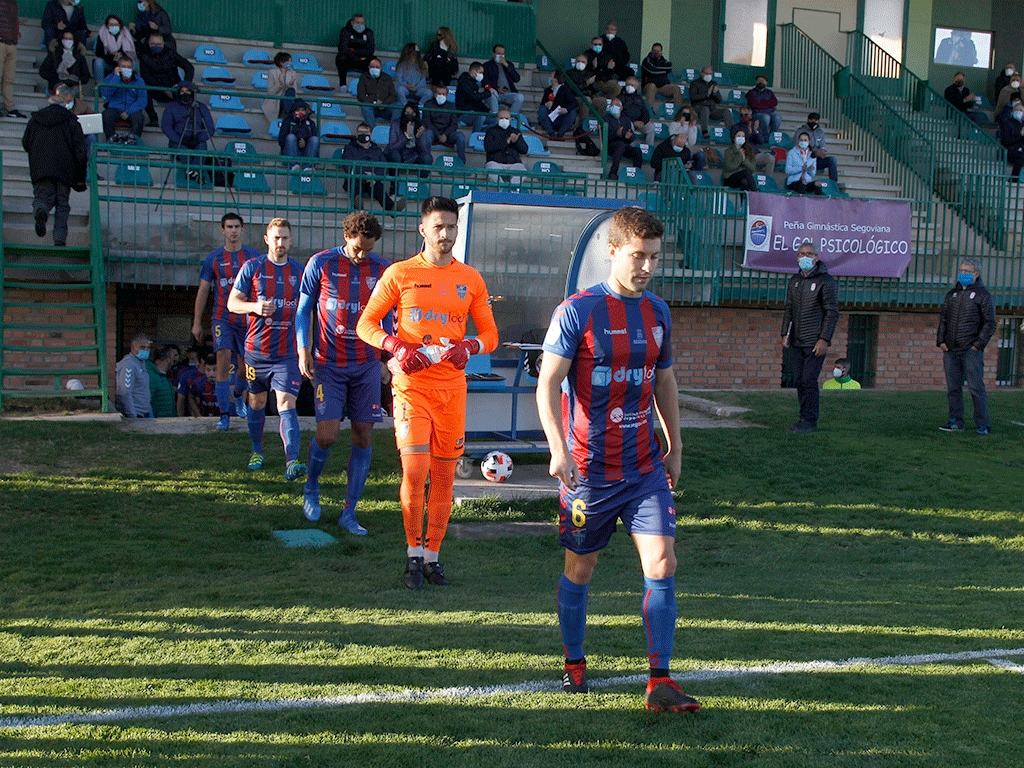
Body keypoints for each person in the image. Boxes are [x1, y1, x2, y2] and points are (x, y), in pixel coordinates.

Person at [535, 205, 700, 713]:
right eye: (637, 256)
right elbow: (547, 384)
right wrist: (558, 449)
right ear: (612, 251)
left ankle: (660, 682)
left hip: (644, 467)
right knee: (580, 569)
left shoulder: (658, 312)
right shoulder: (578, 311)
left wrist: (675, 446)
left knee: (663, 561)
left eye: (655, 257)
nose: (647, 267)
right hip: (588, 472)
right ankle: (574, 664)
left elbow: (664, 381)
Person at [356, 196, 499, 589]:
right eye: (438, 226)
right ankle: (412, 555)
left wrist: (469, 346)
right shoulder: (400, 274)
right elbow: (366, 324)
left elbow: (490, 334)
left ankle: (433, 558)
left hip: (452, 391)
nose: (445, 234)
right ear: (423, 229)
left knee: (444, 477)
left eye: (451, 227)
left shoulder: (470, 278)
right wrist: (396, 347)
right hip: (412, 388)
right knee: (416, 470)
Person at [296, 211, 392, 534]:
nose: (362, 254)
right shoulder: (320, 263)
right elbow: (303, 310)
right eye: (357, 248)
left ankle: (349, 512)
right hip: (329, 364)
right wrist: (303, 349)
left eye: (368, 249)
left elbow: (388, 318)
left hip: (366, 364)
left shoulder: (382, 269)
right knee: (327, 435)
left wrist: (386, 358)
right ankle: (311, 485)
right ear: (346, 237)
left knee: (363, 435)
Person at [227, 218, 307, 479]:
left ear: (291, 240)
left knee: (285, 402)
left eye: (284, 238)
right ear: (266, 239)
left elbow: (307, 311)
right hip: (256, 352)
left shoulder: (300, 271)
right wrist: (253, 306)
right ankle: (257, 450)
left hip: (287, 353)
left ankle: (292, 461)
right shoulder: (253, 267)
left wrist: (306, 347)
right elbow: (232, 303)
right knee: (257, 401)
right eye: (276, 238)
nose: (280, 242)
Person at [192, 212, 261, 431]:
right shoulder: (214, 258)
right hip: (222, 317)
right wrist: (196, 322)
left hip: (246, 319)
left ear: (242, 229)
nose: (233, 231)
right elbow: (203, 290)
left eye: (236, 227)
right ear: (223, 230)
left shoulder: (253, 257)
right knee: (222, 358)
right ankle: (224, 414)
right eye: (229, 227)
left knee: (245, 367)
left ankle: (237, 394)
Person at [781, 242, 838, 434]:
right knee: (799, 380)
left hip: (814, 341)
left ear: (816, 257)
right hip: (797, 339)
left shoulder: (826, 281)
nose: (805, 257)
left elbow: (831, 312)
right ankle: (803, 418)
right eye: (801, 254)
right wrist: (785, 333)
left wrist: (824, 339)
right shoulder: (795, 281)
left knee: (808, 380)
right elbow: (789, 309)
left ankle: (810, 420)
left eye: (809, 254)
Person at [21, 83, 86, 247]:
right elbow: (80, 151)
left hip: (41, 169)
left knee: (42, 197)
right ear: (65, 105)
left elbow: (25, 143)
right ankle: (59, 239)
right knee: (62, 204)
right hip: (65, 170)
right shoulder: (71, 121)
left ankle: (40, 210)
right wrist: (80, 178)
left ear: (48, 104)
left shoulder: (35, 120)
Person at [937, 258, 995, 434]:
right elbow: (944, 319)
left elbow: (990, 323)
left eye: (967, 271)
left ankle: (982, 425)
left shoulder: (983, 295)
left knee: (976, 389)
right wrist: (941, 341)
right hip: (951, 350)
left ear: (976, 274)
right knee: (953, 389)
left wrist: (977, 345)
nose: (963, 274)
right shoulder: (952, 294)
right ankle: (955, 421)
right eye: (961, 270)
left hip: (970, 351)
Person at [340, 123, 406, 212]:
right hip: (356, 179)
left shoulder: (377, 150)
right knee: (354, 185)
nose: (363, 134)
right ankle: (358, 207)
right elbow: (348, 165)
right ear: (356, 134)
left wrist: (374, 175)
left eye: (366, 132)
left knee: (378, 187)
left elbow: (384, 166)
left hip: (372, 180)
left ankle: (392, 208)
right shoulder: (349, 148)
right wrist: (365, 176)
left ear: (370, 134)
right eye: (360, 132)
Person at [161, 81, 214, 177]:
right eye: (182, 91)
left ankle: (193, 171)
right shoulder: (171, 106)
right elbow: (166, 126)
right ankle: (194, 172)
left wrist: (199, 138)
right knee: (182, 149)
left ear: (192, 92)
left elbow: (210, 128)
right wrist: (179, 139)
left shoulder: (201, 107)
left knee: (202, 147)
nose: (185, 93)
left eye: (187, 91)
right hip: (178, 141)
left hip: (197, 140)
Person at [138, 31, 191, 126]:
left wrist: (184, 85)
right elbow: (146, 77)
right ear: (148, 44)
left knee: (186, 92)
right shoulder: (144, 57)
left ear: (163, 44)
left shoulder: (170, 53)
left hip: (174, 88)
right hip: (156, 89)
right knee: (144, 89)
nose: (156, 46)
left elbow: (189, 67)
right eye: (153, 44)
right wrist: (164, 89)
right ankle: (153, 119)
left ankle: (182, 121)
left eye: (159, 44)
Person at [99, 55, 147, 142]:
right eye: (123, 66)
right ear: (118, 67)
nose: (126, 69)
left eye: (129, 67)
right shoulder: (110, 78)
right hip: (115, 109)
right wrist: (116, 77)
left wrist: (128, 112)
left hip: (132, 110)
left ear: (132, 68)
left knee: (139, 118)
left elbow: (142, 100)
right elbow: (106, 94)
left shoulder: (139, 81)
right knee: (106, 115)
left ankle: (132, 142)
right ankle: (111, 141)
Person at [484, 107, 528, 185]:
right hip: (495, 163)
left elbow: (524, 150)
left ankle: (507, 189)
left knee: (523, 172)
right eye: (501, 118)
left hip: (513, 164)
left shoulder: (515, 132)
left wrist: (516, 141)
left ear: (510, 119)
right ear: (497, 119)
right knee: (491, 171)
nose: (504, 120)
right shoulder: (491, 131)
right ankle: (503, 189)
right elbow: (489, 147)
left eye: (506, 118)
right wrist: (507, 141)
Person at [423, 83, 466, 163]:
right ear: (435, 94)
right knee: (427, 134)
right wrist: (438, 135)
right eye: (439, 93)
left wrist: (445, 135)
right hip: (433, 133)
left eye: (443, 94)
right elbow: (427, 122)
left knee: (460, 135)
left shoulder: (451, 106)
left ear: (447, 95)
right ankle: (427, 161)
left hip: (447, 135)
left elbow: (454, 124)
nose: (441, 96)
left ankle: (461, 163)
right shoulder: (428, 104)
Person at [39, 29, 90, 94]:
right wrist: (54, 78)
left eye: (70, 39)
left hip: (74, 84)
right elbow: (43, 71)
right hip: (58, 83)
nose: (68, 40)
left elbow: (86, 75)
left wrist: (77, 80)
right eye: (65, 38)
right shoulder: (54, 53)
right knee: (63, 90)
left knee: (74, 91)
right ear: (61, 39)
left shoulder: (79, 55)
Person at [604, 97, 643, 180]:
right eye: (612, 105)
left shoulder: (626, 119)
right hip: (611, 146)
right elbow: (605, 135)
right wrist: (616, 134)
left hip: (624, 145)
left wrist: (628, 137)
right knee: (620, 146)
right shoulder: (606, 118)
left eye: (616, 105)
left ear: (621, 108)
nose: (614, 107)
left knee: (637, 151)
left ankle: (636, 174)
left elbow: (632, 136)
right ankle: (613, 173)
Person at [795, 112, 838, 184]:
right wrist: (814, 153)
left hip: (816, 160)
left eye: (815, 120)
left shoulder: (820, 132)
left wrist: (822, 152)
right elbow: (797, 148)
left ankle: (834, 183)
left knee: (832, 160)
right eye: (811, 120)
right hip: (804, 160)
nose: (813, 122)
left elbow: (823, 146)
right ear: (808, 120)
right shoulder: (800, 131)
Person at [115, 333, 152, 418]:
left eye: (148, 347)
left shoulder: (141, 364)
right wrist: (133, 416)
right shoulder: (129, 364)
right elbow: (125, 393)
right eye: (142, 347)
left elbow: (144, 390)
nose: (146, 350)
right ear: (132, 347)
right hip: (136, 414)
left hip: (143, 413)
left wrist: (150, 411)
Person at [93, 14, 135, 85]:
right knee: (98, 61)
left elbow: (128, 53)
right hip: (108, 63)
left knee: (133, 63)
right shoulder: (102, 35)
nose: (114, 26)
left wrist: (120, 57)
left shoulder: (125, 34)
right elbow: (99, 53)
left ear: (120, 25)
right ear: (107, 26)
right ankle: (99, 87)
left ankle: (134, 85)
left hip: (122, 63)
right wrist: (112, 58)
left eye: (116, 24)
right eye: (111, 24)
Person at [482, 43, 524, 116]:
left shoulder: (509, 64)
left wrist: (506, 65)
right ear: (493, 54)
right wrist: (497, 88)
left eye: (502, 54)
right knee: (491, 94)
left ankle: (510, 117)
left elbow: (517, 78)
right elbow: (485, 82)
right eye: (498, 53)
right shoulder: (487, 65)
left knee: (520, 97)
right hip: (495, 93)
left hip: (508, 93)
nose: (501, 56)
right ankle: (495, 117)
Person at [689, 66, 732, 137]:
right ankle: (705, 132)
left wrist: (715, 93)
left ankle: (732, 133)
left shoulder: (713, 83)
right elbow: (693, 98)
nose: (708, 75)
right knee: (705, 109)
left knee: (726, 111)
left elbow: (719, 100)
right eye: (706, 73)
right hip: (698, 109)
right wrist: (707, 94)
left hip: (712, 109)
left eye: (710, 74)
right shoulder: (695, 83)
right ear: (702, 73)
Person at [1, 0, 26, 119]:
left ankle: (10, 108)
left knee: (8, 79)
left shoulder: (13, 3)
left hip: (12, 43)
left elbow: (14, 21)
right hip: (2, 42)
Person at [387, 101, 432, 168]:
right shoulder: (396, 124)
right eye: (407, 113)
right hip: (400, 152)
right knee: (394, 154)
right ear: (404, 113)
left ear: (416, 114)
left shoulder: (421, 126)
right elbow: (392, 147)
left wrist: (419, 137)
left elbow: (424, 150)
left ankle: (420, 175)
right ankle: (396, 174)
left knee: (427, 158)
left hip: (414, 154)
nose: (409, 115)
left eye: (412, 113)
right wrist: (406, 137)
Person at [455, 61, 497, 132]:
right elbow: (474, 97)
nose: (482, 75)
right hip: (463, 113)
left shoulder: (473, 83)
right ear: (473, 71)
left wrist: (487, 110)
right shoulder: (463, 82)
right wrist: (488, 93)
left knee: (495, 120)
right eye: (480, 72)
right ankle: (475, 135)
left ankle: (482, 134)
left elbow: (477, 102)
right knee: (481, 117)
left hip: (474, 112)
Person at [278, 98, 319, 170]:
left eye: (302, 110)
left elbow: (314, 139)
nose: (300, 112)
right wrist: (297, 141)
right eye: (298, 110)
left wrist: (305, 142)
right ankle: (293, 166)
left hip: (306, 152)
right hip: (290, 151)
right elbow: (281, 141)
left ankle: (308, 167)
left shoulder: (311, 123)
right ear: (293, 111)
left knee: (315, 139)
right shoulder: (287, 121)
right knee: (291, 137)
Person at [730, 106, 774, 172]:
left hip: (755, 154)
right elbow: (735, 142)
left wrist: (756, 132)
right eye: (741, 115)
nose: (743, 117)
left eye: (746, 115)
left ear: (750, 116)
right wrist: (749, 133)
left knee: (770, 158)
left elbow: (761, 141)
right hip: (742, 154)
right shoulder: (735, 127)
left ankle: (768, 178)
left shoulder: (754, 126)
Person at [357, 57, 399, 126]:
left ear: (381, 68)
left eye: (377, 67)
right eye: (372, 66)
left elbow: (393, 95)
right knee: (365, 106)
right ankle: (373, 130)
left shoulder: (387, 78)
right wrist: (375, 102)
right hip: (372, 108)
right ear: (368, 67)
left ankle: (393, 129)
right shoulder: (363, 77)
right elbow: (360, 96)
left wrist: (384, 103)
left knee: (398, 106)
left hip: (386, 108)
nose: (375, 68)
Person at [640, 43, 682, 111]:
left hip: (662, 87)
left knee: (676, 88)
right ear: (651, 51)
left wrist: (656, 68)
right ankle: (649, 111)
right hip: (648, 86)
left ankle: (679, 112)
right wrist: (663, 70)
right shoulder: (646, 60)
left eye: (658, 51)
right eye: (654, 50)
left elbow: (669, 67)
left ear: (661, 52)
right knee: (652, 86)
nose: (656, 52)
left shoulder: (664, 61)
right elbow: (652, 70)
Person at [335, 13, 374, 86]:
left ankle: (370, 86)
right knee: (341, 58)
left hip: (363, 60)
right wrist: (356, 57)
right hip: (349, 60)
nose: (360, 25)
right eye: (357, 22)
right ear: (352, 22)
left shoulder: (369, 33)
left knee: (373, 61)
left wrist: (354, 50)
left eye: (362, 23)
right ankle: (343, 85)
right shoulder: (345, 31)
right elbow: (343, 48)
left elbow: (370, 50)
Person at [566, 52, 607, 118]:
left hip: (589, 97)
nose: (580, 63)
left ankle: (597, 122)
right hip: (575, 98)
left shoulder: (589, 73)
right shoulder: (569, 73)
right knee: (587, 100)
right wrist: (586, 83)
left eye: (583, 62)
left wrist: (593, 82)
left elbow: (596, 89)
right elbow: (572, 88)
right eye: (578, 61)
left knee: (602, 101)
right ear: (575, 62)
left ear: (586, 63)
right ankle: (583, 123)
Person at [537, 70, 576, 139]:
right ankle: (551, 133)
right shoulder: (548, 90)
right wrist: (547, 104)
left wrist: (565, 109)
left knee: (572, 112)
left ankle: (560, 134)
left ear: (556, 79)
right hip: (549, 119)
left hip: (561, 118)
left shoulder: (566, 90)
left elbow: (574, 103)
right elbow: (542, 104)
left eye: (551, 76)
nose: (550, 78)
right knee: (542, 109)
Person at [261, 51, 296, 125]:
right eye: (288, 61)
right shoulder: (272, 72)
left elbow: (294, 91)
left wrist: (290, 84)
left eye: (290, 61)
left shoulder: (292, 73)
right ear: (281, 62)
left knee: (291, 90)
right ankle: (287, 116)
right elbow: (270, 92)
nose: (290, 63)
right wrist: (280, 84)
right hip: (275, 100)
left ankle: (286, 112)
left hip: (287, 100)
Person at [620, 76, 656, 145]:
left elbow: (645, 112)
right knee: (629, 125)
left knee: (651, 127)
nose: (630, 86)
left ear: (636, 87)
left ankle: (649, 147)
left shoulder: (639, 98)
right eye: (628, 84)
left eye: (632, 85)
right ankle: (631, 147)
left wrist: (643, 122)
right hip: (628, 122)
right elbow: (621, 113)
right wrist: (633, 122)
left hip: (640, 122)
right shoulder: (620, 97)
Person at [583, 36, 621, 101]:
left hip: (605, 79)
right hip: (594, 80)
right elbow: (585, 71)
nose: (598, 46)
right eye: (595, 44)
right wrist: (594, 67)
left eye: (600, 44)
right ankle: (598, 99)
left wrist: (610, 68)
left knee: (617, 87)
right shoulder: (586, 55)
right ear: (591, 45)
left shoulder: (606, 55)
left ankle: (605, 100)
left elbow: (611, 72)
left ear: (602, 45)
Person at [746, 74, 780, 144]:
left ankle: (772, 136)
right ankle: (765, 137)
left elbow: (775, 102)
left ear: (766, 82)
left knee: (777, 117)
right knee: (766, 117)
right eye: (759, 80)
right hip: (756, 113)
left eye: (763, 81)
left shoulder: (769, 92)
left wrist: (761, 103)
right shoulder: (751, 92)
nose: (761, 82)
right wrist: (767, 104)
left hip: (769, 113)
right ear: (756, 82)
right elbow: (754, 104)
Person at [999, 100, 1024, 179]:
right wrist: (1020, 135)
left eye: (1021, 110)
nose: (1018, 112)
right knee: (1021, 156)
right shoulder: (1007, 124)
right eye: (1016, 110)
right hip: (1010, 151)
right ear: (1012, 112)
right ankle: (1014, 178)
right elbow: (1005, 141)